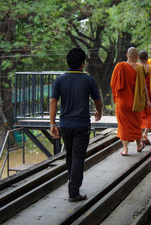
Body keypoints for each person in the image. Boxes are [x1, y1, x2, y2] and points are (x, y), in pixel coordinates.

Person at [50, 47, 103, 202]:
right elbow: (97, 101)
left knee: (70, 155)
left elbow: (53, 102)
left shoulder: (60, 79)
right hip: (81, 125)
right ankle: (73, 192)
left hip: (65, 125)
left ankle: (72, 182)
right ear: (82, 63)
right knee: (78, 157)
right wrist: (99, 112)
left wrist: (52, 123)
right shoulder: (89, 80)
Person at [110, 47, 151, 156]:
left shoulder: (119, 67)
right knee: (136, 124)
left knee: (123, 125)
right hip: (135, 102)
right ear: (137, 57)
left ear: (127, 56)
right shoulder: (140, 69)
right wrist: (147, 100)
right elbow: (143, 87)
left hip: (122, 102)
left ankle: (125, 150)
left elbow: (113, 84)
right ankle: (138, 145)